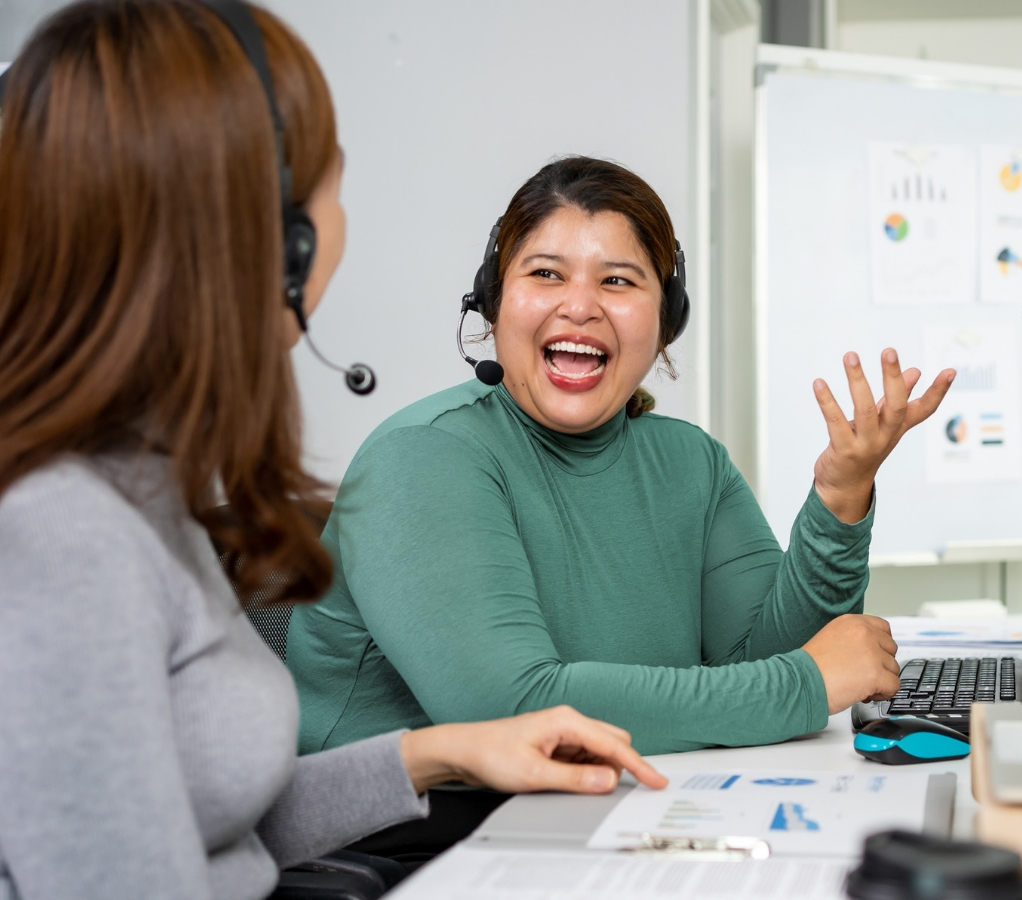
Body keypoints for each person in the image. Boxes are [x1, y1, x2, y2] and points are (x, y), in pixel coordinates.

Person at [0, 3, 664, 899]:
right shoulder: (65, 535)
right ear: (275, 242)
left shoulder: (140, 493)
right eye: (327, 181)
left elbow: (214, 825)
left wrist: (435, 754)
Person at [287, 156, 957, 757]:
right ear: (492, 304)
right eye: (545, 274)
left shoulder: (691, 462)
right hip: (408, 850)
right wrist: (806, 683)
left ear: (666, 322)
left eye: (618, 280)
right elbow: (513, 713)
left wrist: (842, 496)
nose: (579, 306)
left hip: (604, 811)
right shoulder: (422, 458)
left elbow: (773, 660)